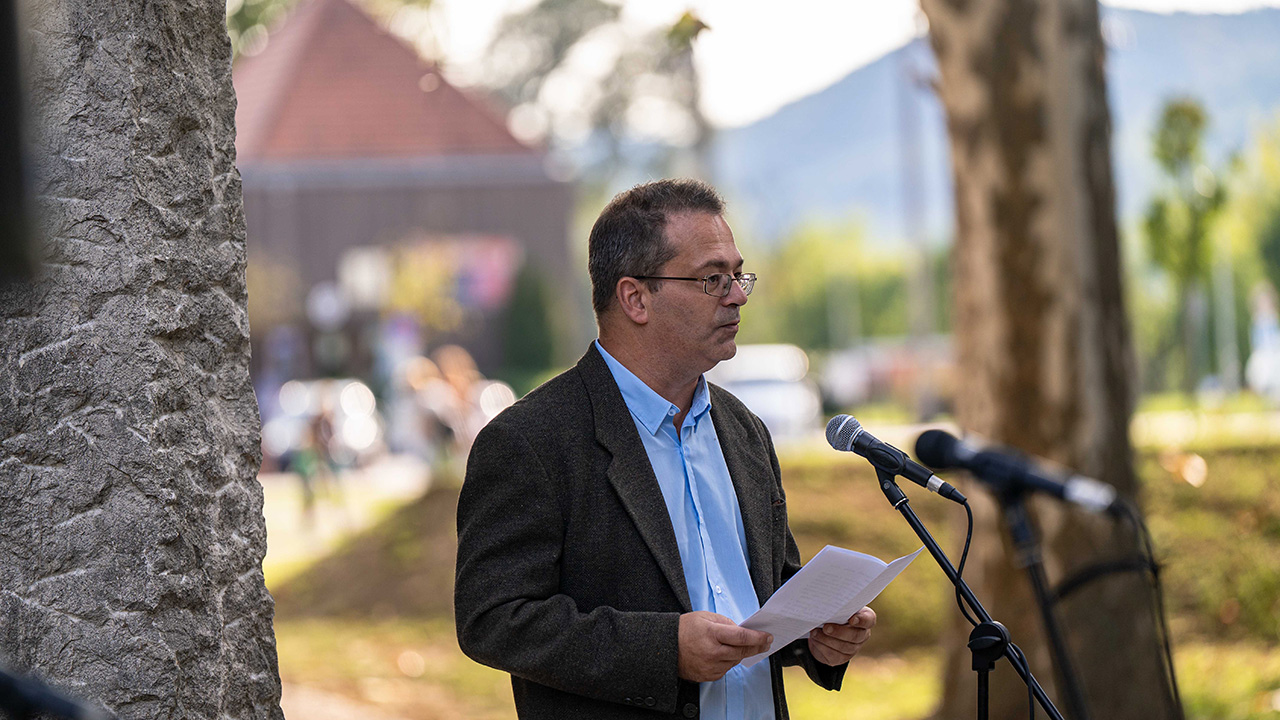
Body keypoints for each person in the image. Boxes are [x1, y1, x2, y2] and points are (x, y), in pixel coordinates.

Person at [454, 179, 876, 719]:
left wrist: (816, 635)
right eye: (711, 279)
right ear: (635, 298)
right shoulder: (531, 440)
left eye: (738, 275)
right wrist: (664, 650)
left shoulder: (744, 430)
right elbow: (493, 619)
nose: (738, 295)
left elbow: (763, 595)